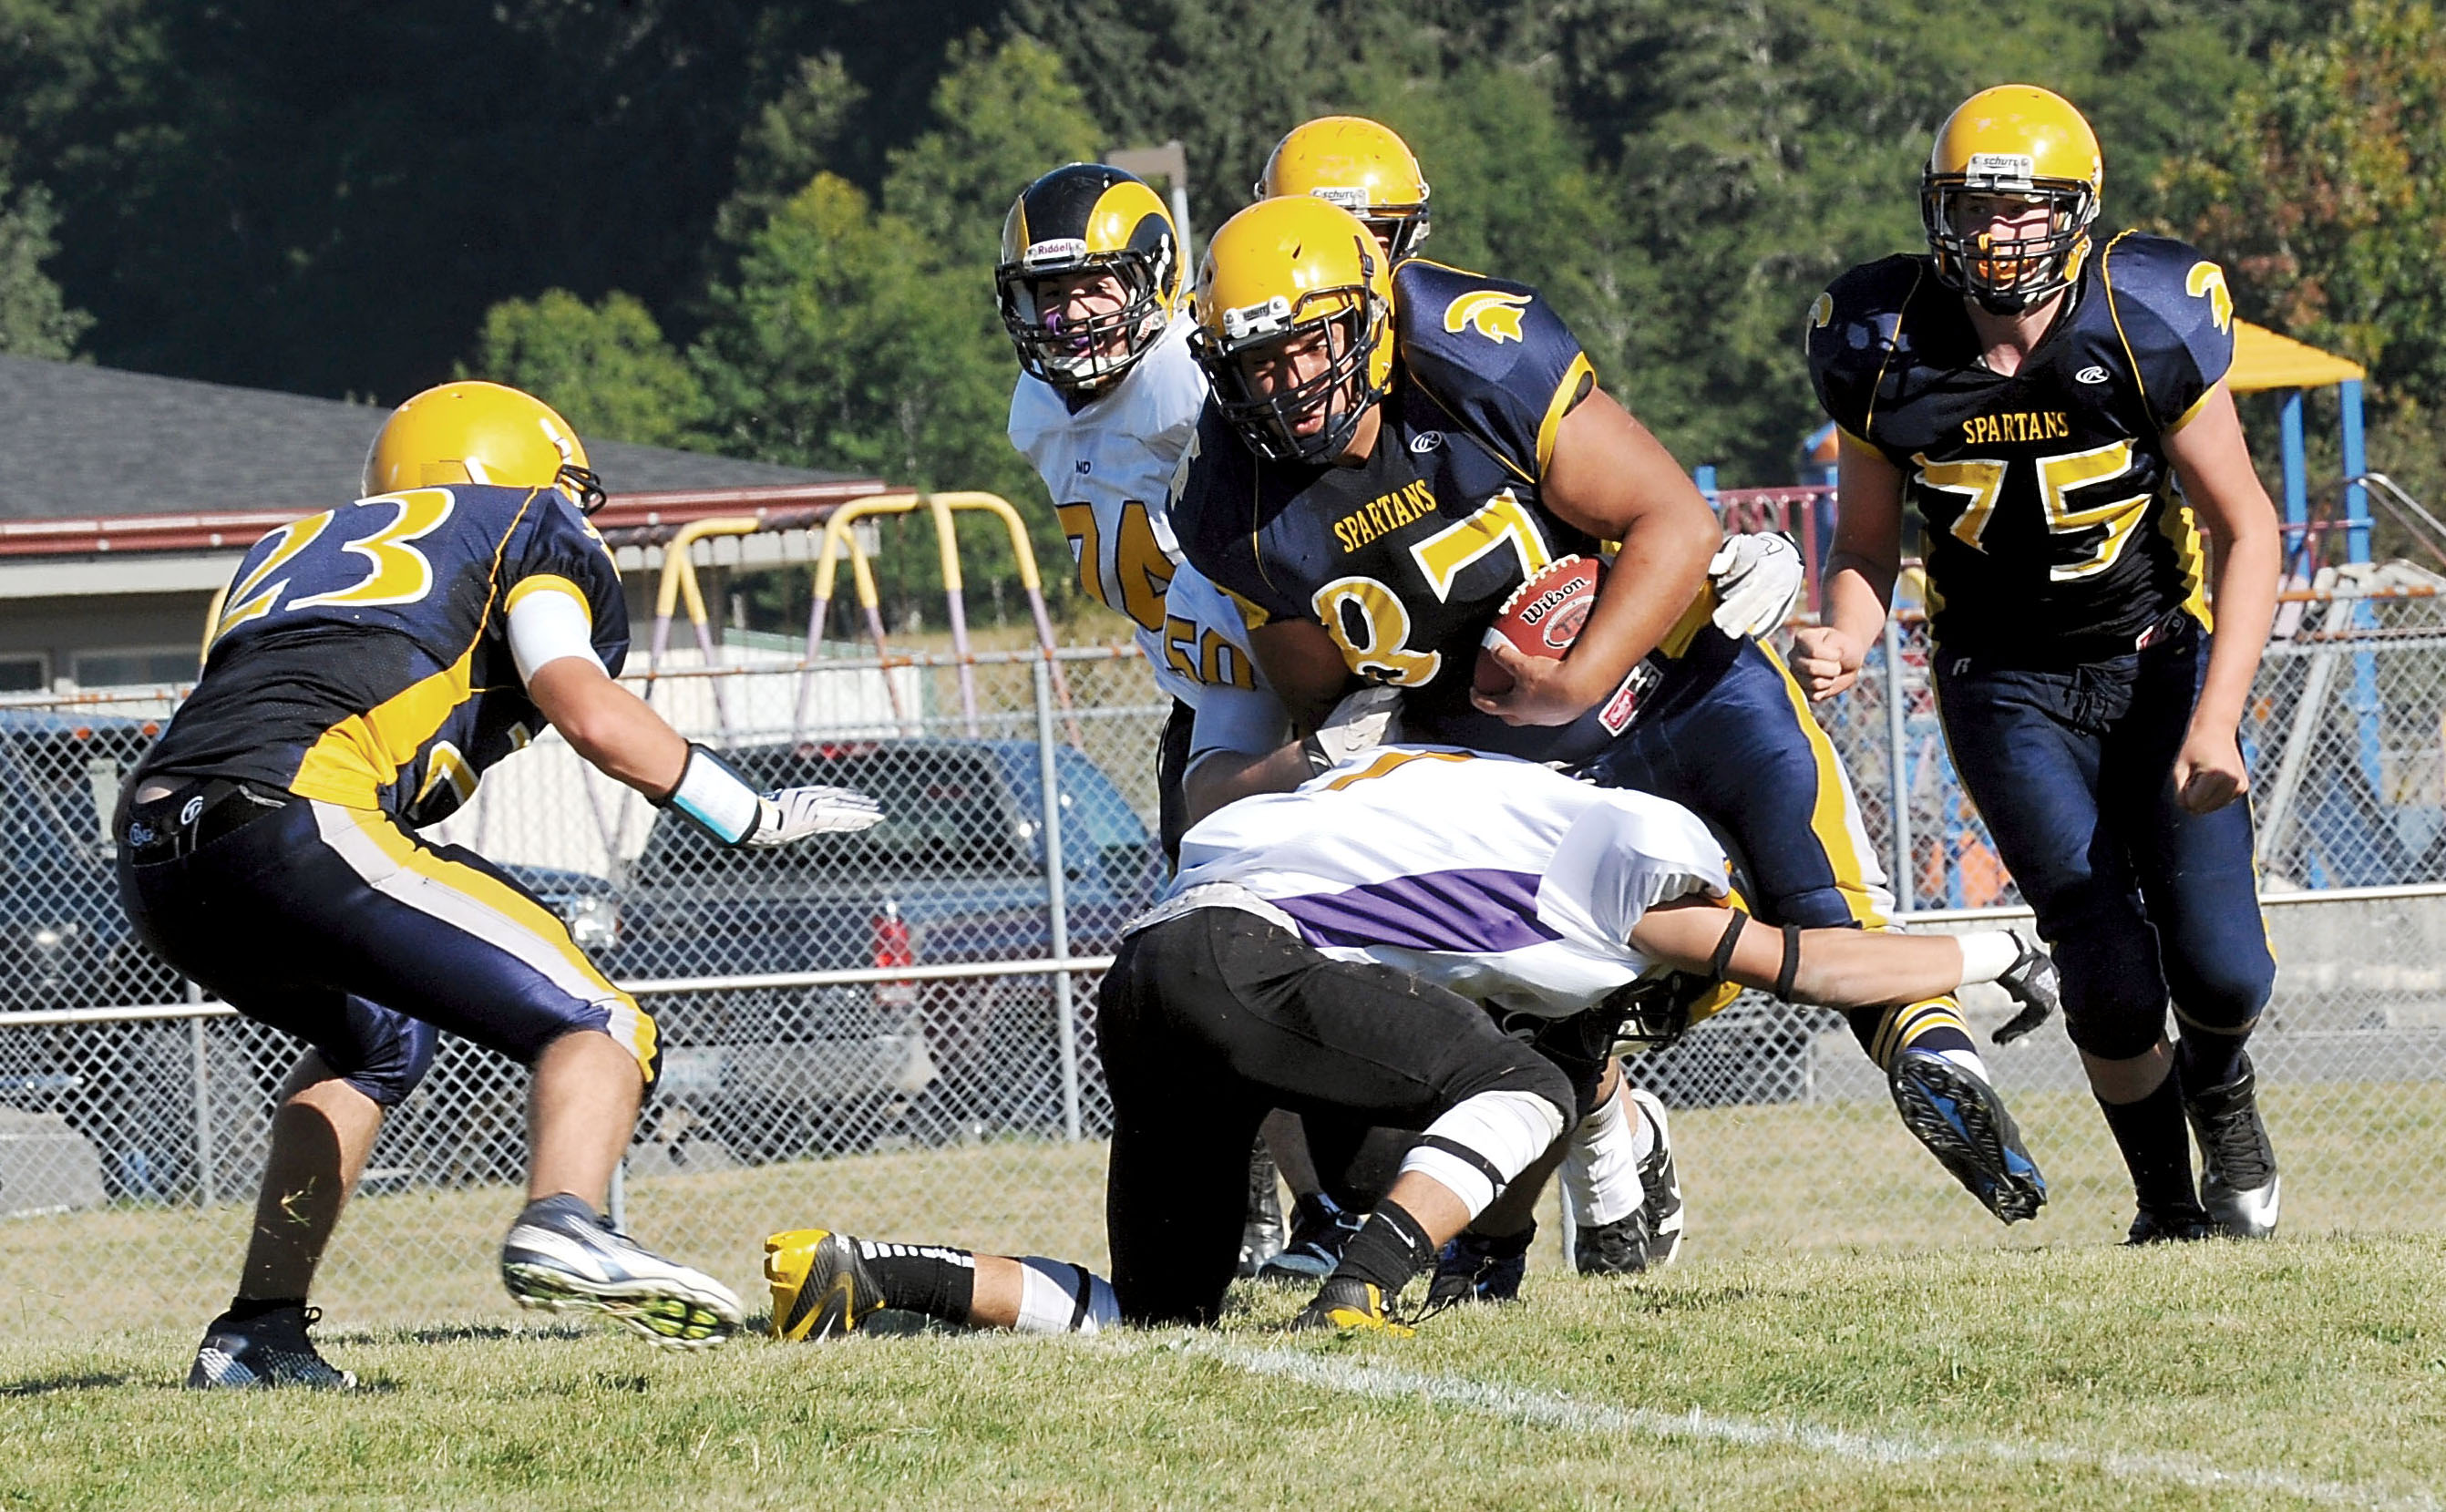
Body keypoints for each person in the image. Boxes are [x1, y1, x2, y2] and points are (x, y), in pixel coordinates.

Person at [1166, 191, 2050, 1240]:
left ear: (1365, 313)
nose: (1290, 383)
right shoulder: (1227, 494)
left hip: (1673, 671)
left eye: (1307, 347)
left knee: (1818, 907)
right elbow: (1321, 690)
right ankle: (1565, 1213)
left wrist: (1581, 670)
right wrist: (1370, 737)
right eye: (1257, 363)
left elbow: (1668, 513)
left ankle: (1930, 1053)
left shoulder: (1470, 353)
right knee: (1576, 1007)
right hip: (1518, 774)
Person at [117, 382, 884, 1387]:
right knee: (600, 1022)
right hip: (299, 806)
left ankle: (257, 1336)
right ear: (507, 470)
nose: (574, 506)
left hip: (153, 848)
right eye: (561, 486)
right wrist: (743, 810)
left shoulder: (287, 554)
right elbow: (583, 704)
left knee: (371, 1040)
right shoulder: (521, 521)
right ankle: (565, 1222)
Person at [763, 746, 2060, 1338]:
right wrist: (2001, 947)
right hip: (1243, 954)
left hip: (1151, 969)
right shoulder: (1636, 853)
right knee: (1527, 1085)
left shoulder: (1483, 802)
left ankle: (884, 1274)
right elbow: (1814, 962)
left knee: (1163, 1317)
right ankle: (1366, 1277)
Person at [1797, 85, 2283, 1243]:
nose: (1994, 235)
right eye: (1971, 210)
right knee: (2103, 967)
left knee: (2220, 973)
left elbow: (2245, 527)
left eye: (2023, 212)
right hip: (2000, 679)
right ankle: (2165, 1212)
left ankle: (2220, 1089)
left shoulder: (2141, 315)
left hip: (2155, 659)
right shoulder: (1880, 342)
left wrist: (2214, 721)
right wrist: (1848, 635)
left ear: (2077, 215)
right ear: (1937, 215)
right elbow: (1867, 544)